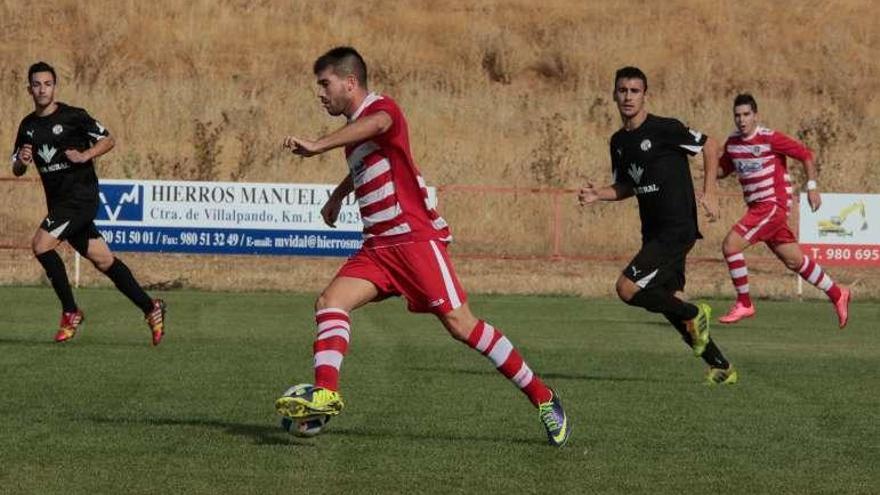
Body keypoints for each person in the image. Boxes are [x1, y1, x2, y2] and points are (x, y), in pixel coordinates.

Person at [274, 46, 570, 447]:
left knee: (461, 325)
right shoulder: (356, 133)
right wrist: (339, 195)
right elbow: (366, 157)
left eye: (325, 84)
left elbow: (378, 125)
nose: (320, 94)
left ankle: (544, 398)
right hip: (378, 249)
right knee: (329, 302)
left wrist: (317, 144)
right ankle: (325, 394)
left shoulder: (383, 109)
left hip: (413, 241)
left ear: (350, 82)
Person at [578, 66, 737, 385]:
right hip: (653, 231)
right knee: (671, 298)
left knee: (626, 288)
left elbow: (710, 145)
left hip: (676, 228)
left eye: (634, 91)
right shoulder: (619, 142)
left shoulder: (665, 128)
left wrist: (710, 192)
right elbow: (627, 186)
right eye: (622, 90)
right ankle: (721, 366)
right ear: (614, 94)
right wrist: (600, 194)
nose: (628, 96)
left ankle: (695, 314)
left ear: (645, 95)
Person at [10, 61, 166, 345]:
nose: (42, 89)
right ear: (29, 89)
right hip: (59, 205)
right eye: (36, 84)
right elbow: (16, 166)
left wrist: (85, 155)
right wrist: (20, 162)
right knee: (103, 259)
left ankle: (70, 311)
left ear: (54, 86)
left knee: (41, 244)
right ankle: (150, 307)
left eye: (47, 83)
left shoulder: (73, 116)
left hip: (81, 199)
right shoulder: (28, 126)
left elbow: (108, 139)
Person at [716, 93, 850, 327]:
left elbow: (805, 155)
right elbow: (722, 170)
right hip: (759, 208)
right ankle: (838, 294)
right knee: (794, 261)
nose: (742, 119)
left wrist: (812, 187)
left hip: (772, 205)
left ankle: (745, 303)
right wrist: (699, 162)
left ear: (755, 115)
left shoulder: (769, 138)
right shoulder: (733, 144)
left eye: (746, 114)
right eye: (737, 115)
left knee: (731, 245)